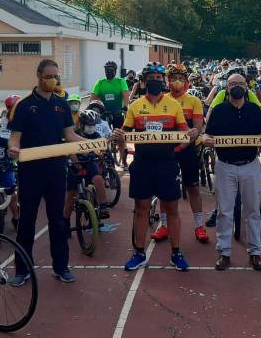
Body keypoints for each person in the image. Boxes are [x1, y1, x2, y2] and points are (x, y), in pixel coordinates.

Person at [8, 59, 88, 285]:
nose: (53, 80)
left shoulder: (61, 104)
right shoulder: (23, 106)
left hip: (55, 170)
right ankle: (22, 270)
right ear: (38, 76)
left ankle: (61, 267)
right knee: (27, 222)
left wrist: (96, 144)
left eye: (56, 76)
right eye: (48, 76)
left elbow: (70, 136)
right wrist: (13, 148)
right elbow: (15, 138)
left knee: (58, 221)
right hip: (30, 172)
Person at [114, 63, 194, 271]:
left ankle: (176, 253)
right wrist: (120, 139)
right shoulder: (135, 106)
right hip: (142, 163)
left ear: (163, 82)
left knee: (172, 209)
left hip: (167, 163)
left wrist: (181, 144)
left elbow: (185, 132)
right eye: (152, 77)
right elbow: (125, 134)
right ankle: (139, 253)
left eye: (159, 78)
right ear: (144, 81)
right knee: (141, 209)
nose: (156, 81)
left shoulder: (174, 105)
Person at [203, 73, 261, 271]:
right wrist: (207, 138)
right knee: (224, 211)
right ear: (227, 87)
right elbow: (208, 133)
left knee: (253, 210)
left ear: (246, 87)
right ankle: (224, 252)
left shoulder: (254, 110)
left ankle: (255, 252)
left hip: (250, 164)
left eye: (240, 84)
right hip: (225, 165)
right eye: (233, 84)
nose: (236, 87)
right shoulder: (218, 110)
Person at [149, 63, 209, 244]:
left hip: (187, 149)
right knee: (163, 189)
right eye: (173, 78)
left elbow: (197, 128)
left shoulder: (194, 101)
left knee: (193, 188)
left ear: (186, 83)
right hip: (165, 151)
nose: (177, 82)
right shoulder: (161, 99)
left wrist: (184, 143)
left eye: (181, 79)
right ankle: (164, 225)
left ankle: (199, 226)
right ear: (168, 81)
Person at [64, 110, 110, 222]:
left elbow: (102, 148)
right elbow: (71, 152)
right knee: (71, 195)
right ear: (82, 125)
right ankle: (66, 220)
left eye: (93, 125)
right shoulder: (75, 135)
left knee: (98, 179)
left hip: (90, 163)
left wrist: (103, 152)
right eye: (89, 126)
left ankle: (103, 207)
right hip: (76, 165)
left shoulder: (96, 135)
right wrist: (76, 163)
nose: (91, 128)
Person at [91, 60, 129, 130]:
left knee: (118, 132)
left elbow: (126, 95)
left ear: (115, 71)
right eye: (107, 70)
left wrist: (125, 107)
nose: (109, 71)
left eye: (111, 70)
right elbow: (93, 98)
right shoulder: (100, 82)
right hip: (103, 113)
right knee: (104, 133)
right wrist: (92, 109)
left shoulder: (121, 81)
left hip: (117, 112)